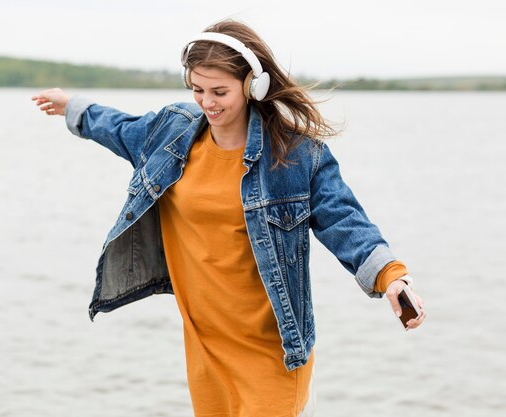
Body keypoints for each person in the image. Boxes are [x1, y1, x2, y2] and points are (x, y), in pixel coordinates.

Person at [31, 19, 425, 417]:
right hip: (206, 351)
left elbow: (343, 219)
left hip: (272, 353)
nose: (208, 102)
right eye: (198, 90)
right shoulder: (172, 133)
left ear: (253, 85)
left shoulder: (293, 155)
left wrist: (390, 276)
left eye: (220, 91)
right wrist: (74, 108)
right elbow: (120, 128)